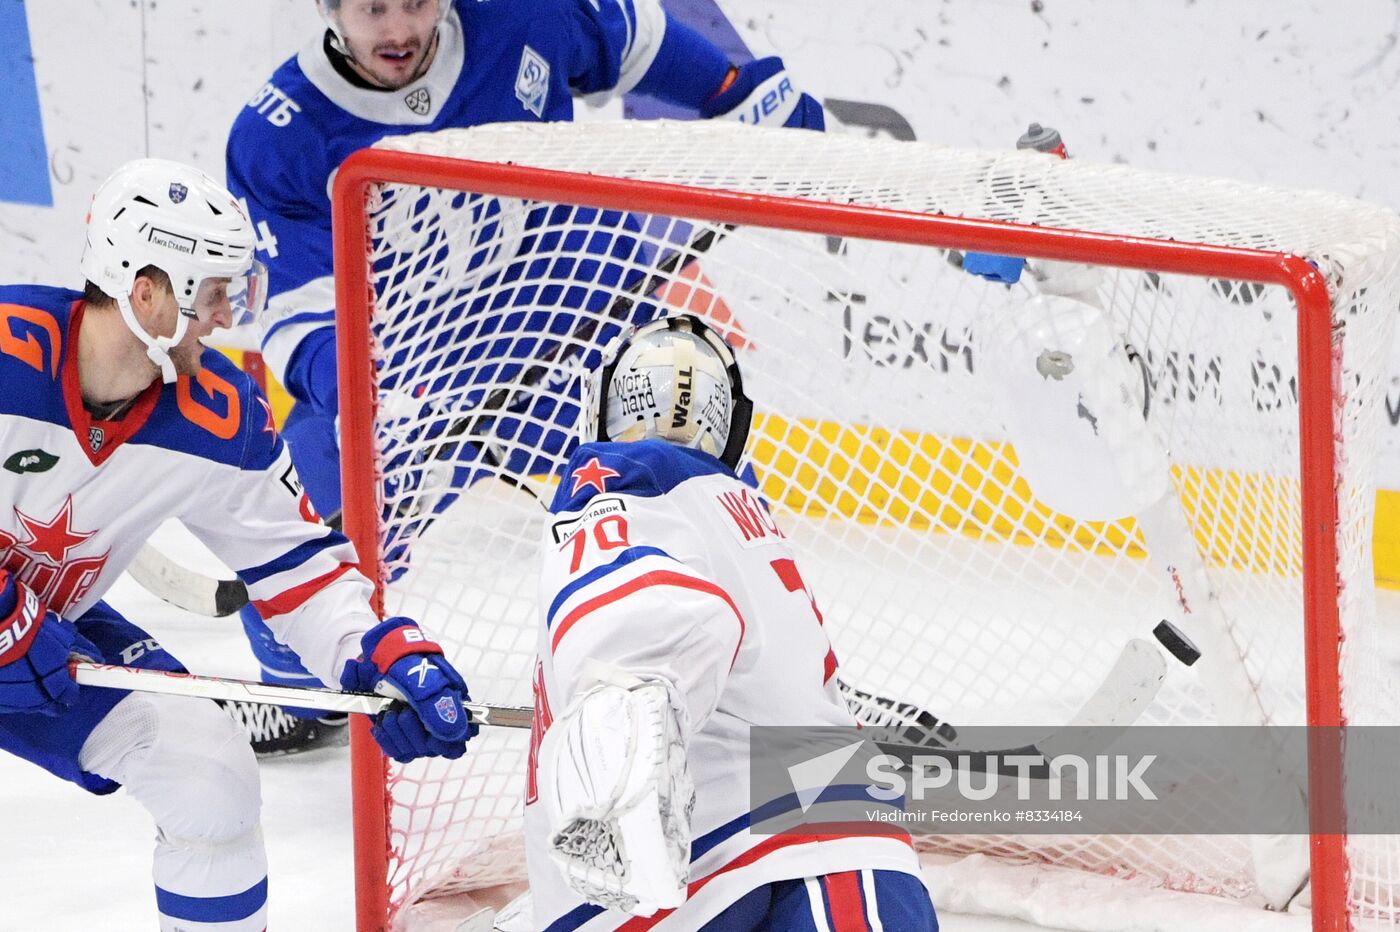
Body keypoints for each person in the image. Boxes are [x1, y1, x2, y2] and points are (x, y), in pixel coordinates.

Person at [222, 0, 826, 752]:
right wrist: (365, 400)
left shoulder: (519, 16)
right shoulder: (279, 135)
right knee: (308, 522)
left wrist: (740, 89)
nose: (400, 29)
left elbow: (629, 37)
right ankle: (294, 687)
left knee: (702, 501)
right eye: (374, 8)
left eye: (415, 1)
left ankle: (777, 680)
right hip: (418, 389)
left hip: (580, 340)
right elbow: (297, 316)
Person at [0, 157, 477, 930]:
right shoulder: (3, 352)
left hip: (36, 645)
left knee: (206, 771)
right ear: (146, 292)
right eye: (213, 293)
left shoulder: (219, 417)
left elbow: (302, 572)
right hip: (15, 632)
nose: (228, 317)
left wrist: (380, 655)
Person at [524, 315, 937, 929]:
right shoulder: (739, 510)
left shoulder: (627, 477)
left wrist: (623, 722)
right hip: (834, 829)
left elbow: (642, 610)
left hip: (726, 852)